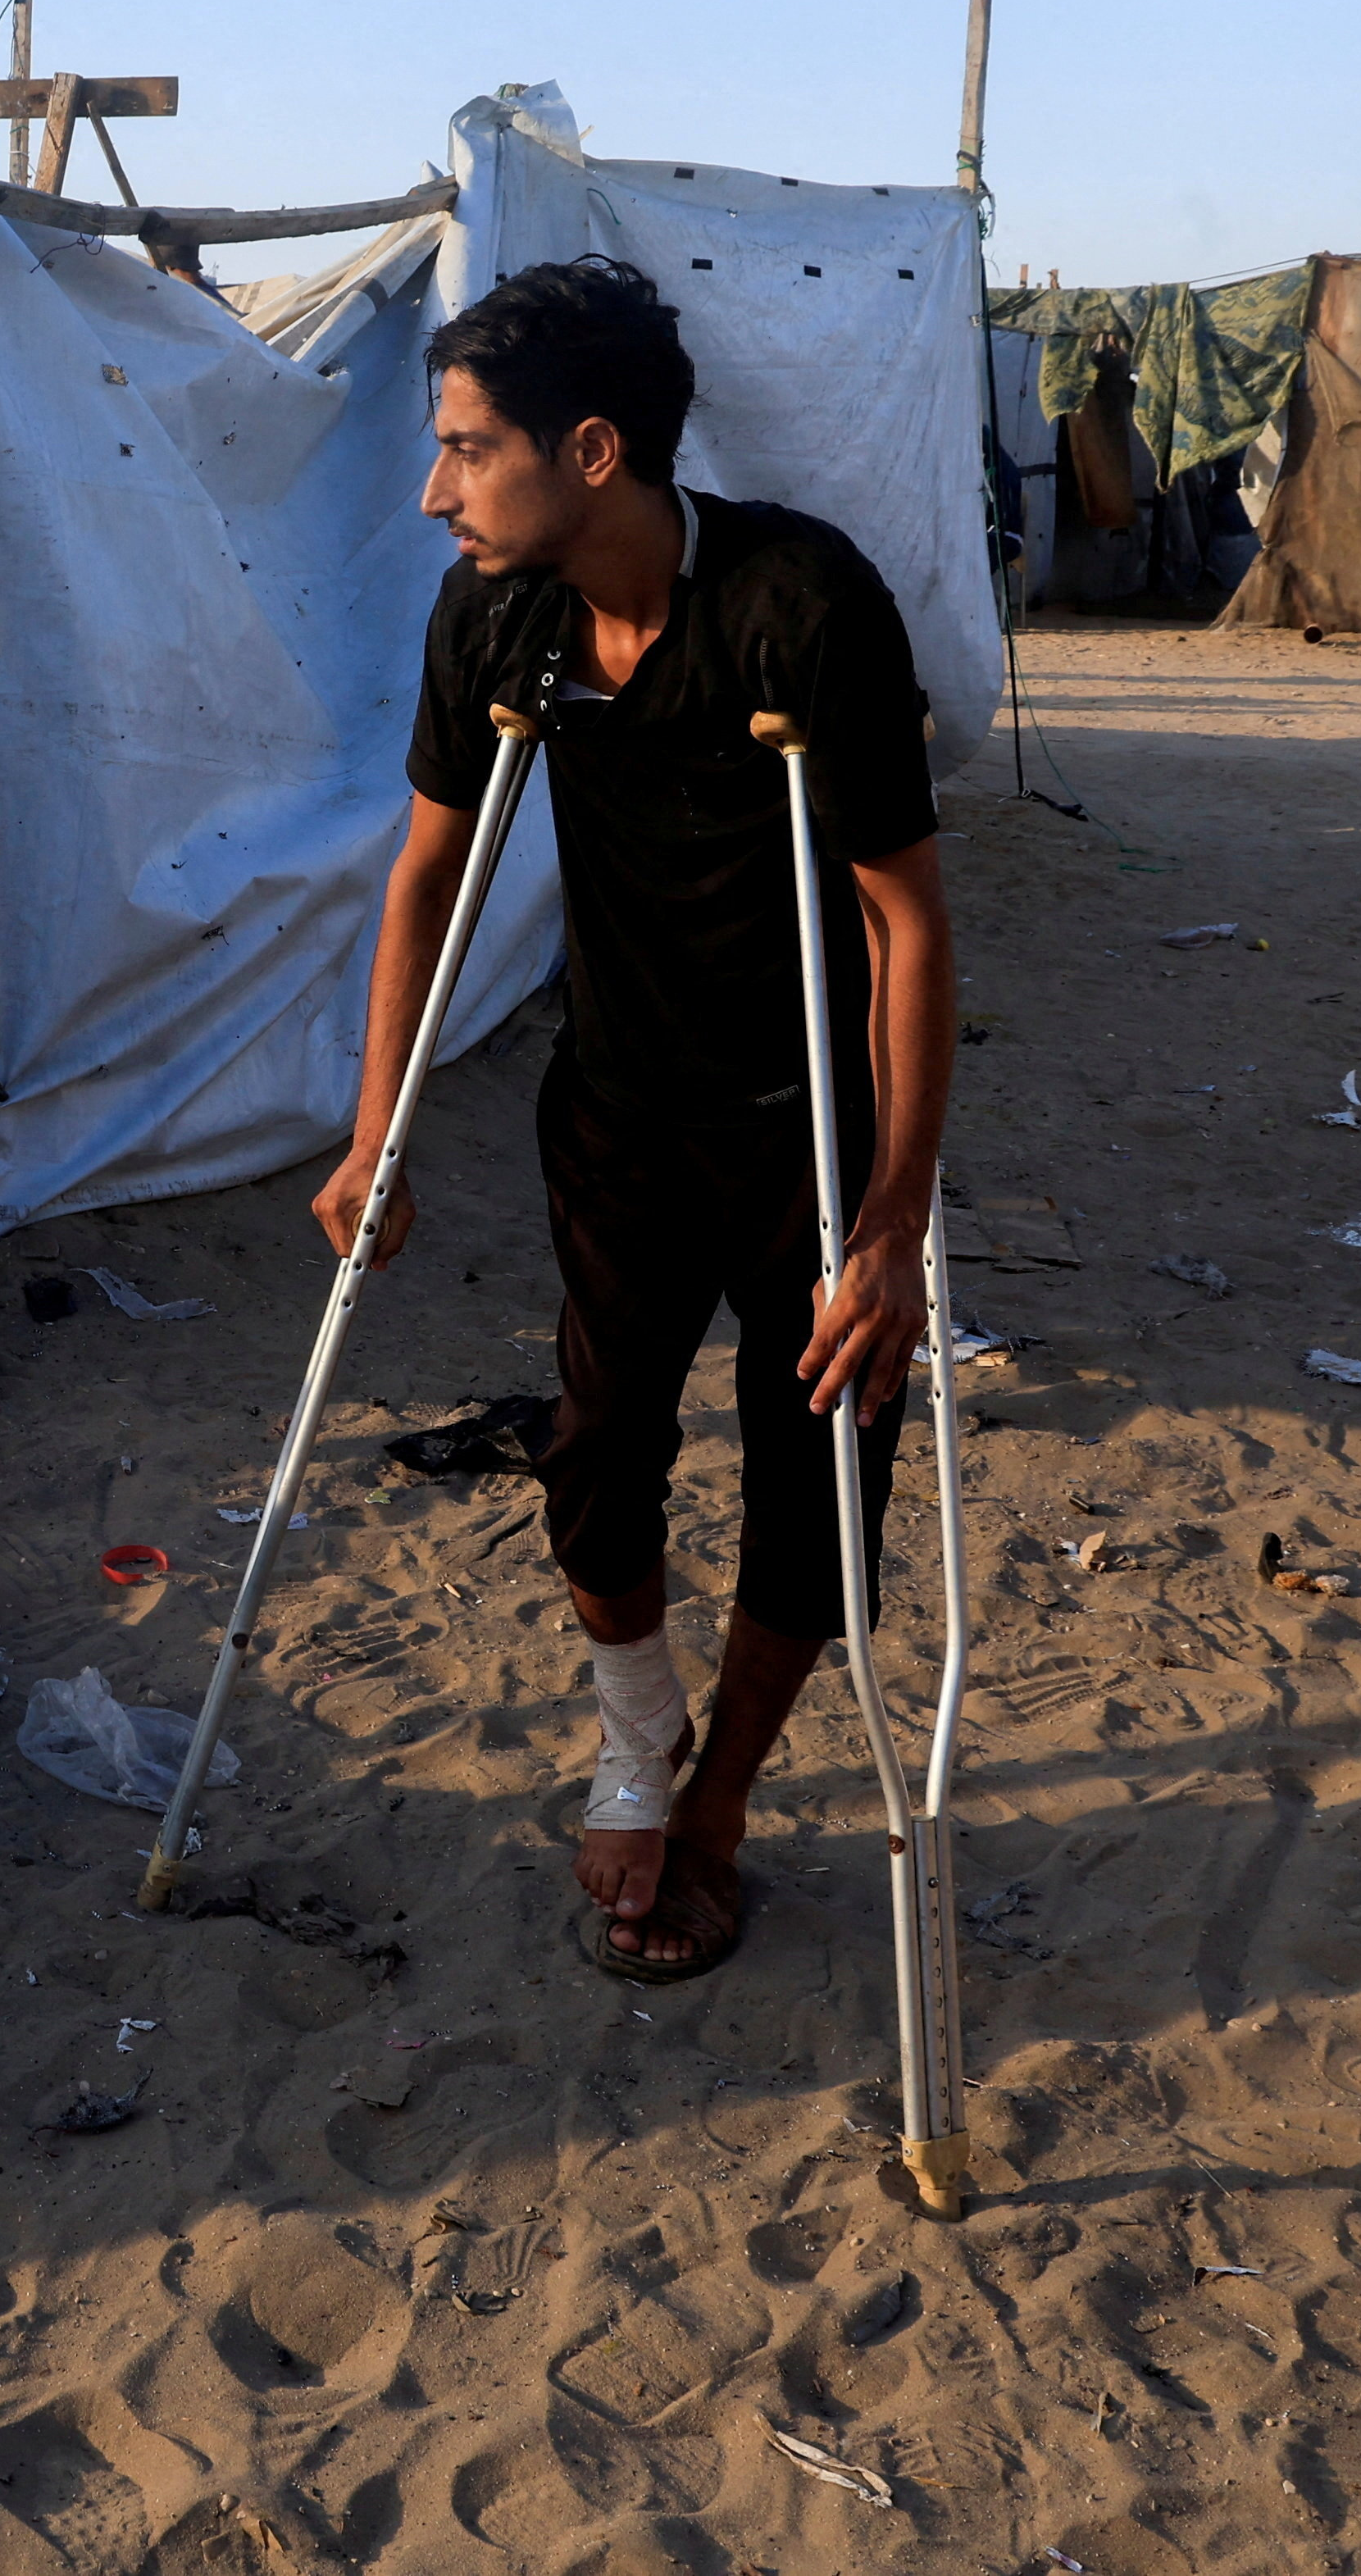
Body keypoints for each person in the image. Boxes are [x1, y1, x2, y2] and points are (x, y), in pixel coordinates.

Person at [311, 255, 952, 1985]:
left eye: (461, 448)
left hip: (805, 1129)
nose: (433, 488)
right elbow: (427, 872)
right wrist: (374, 1137)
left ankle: (719, 1807)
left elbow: (902, 921)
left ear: (588, 450)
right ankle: (630, 1738)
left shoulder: (796, 605)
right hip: (612, 1112)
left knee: (814, 1482)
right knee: (594, 1452)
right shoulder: (492, 616)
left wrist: (888, 1225)